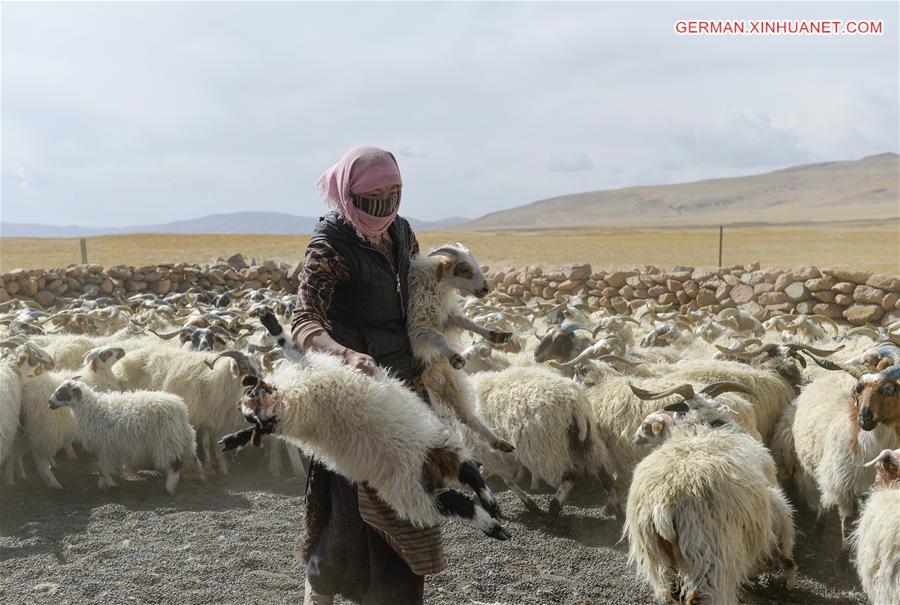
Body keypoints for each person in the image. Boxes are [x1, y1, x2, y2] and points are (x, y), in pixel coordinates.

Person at [290, 145, 445, 605]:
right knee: (350, 516)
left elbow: (420, 295)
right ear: (348, 193)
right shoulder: (330, 246)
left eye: (393, 192)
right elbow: (304, 321)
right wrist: (344, 352)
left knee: (409, 507)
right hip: (353, 399)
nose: (384, 203)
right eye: (372, 195)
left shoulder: (400, 233)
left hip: (406, 393)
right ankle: (320, 590)